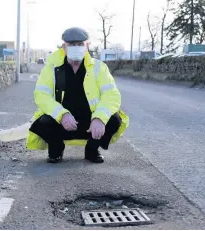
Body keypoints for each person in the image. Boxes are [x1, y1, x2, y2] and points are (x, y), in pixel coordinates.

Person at [26, 27, 129, 164]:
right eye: (72, 44)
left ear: (87, 46)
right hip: (62, 123)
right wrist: (62, 115)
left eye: (80, 44)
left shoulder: (99, 68)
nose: (76, 47)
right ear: (64, 47)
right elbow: (41, 95)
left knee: (115, 119)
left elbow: (111, 95)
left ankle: (92, 150)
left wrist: (99, 118)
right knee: (44, 122)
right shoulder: (51, 68)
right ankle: (56, 149)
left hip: (90, 122)